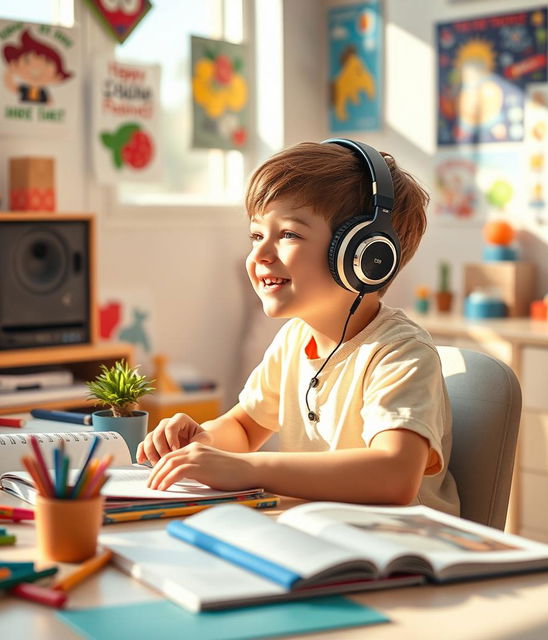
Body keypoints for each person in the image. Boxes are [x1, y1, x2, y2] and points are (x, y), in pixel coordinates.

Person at [137, 138, 459, 515]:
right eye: (256, 235)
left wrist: (244, 468)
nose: (258, 254)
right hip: (326, 534)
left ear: (365, 254)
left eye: (287, 234)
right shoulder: (294, 339)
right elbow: (244, 427)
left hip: (403, 548)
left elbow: (394, 476)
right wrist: (204, 443)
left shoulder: (399, 353)